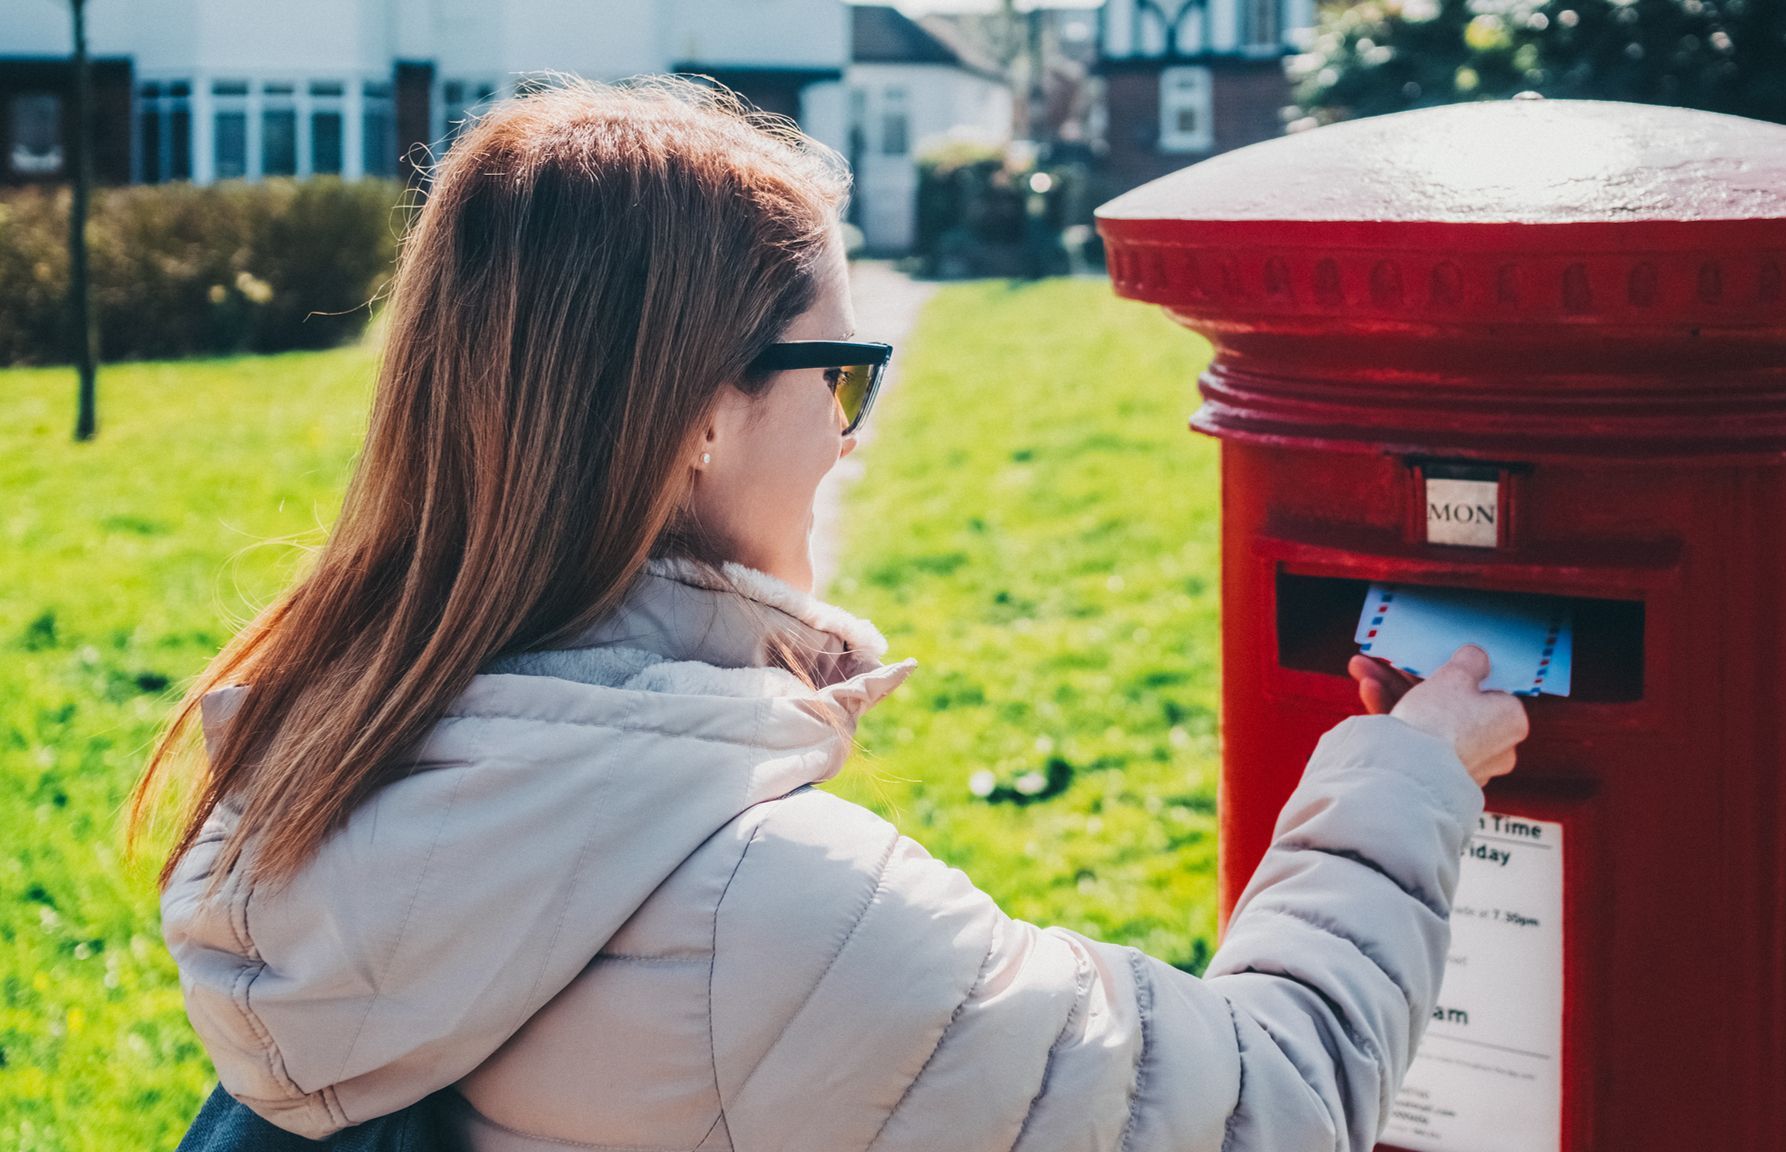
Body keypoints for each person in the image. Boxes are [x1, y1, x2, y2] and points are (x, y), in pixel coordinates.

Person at [132, 75, 1529, 1152]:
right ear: (697, 413)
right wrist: (1404, 776)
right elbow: (1265, 1105)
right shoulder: (779, 917)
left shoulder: (311, 789)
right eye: (843, 374)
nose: (852, 436)